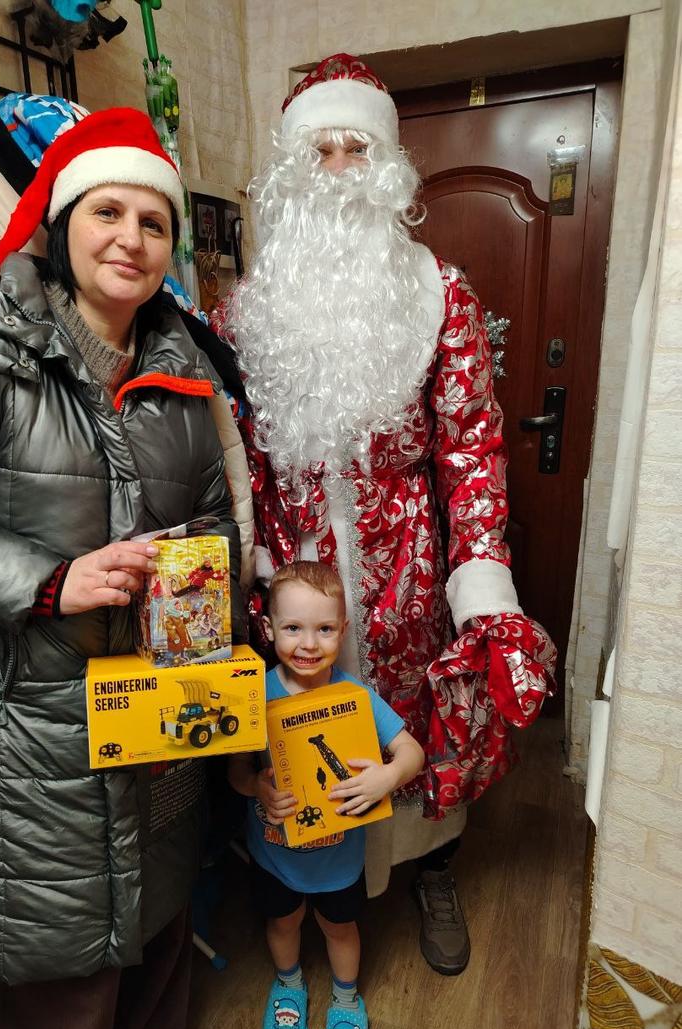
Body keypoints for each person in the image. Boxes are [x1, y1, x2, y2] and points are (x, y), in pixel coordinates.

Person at [0, 108, 246, 1029]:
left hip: (157, 725)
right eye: (107, 211)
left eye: (154, 222)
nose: (131, 238)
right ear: (63, 220)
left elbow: (213, 518)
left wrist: (200, 595)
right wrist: (51, 581)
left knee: (156, 943)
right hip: (25, 751)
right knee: (61, 999)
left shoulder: (182, 364)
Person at [223, 54, 534, 977]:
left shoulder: (442, 294)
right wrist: (244, 570)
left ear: (389, 165)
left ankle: (432, 869)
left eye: (357, 148)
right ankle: (307, 887)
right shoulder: (246, 312)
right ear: (291, 171)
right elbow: (235, 459)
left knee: (414, 722)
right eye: (318, 150)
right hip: (295, 578)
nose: (338, 168)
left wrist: (482, 585)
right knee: (301, 729)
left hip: (409, 574)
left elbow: (472, 449)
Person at [228, 561, 423, 1029]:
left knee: (340, 928)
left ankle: (346, 1001)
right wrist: (256, 786)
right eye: (293, 627)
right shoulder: (254, 694)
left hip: (338, 861)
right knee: (282, 921)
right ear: (270, 628)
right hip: (274, 855)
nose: (309, 644)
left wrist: (388, 776)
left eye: (324, 629)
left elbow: (412, 752)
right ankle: (289, 984)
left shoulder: (356, 696)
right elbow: (235, 772)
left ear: (343, 629)